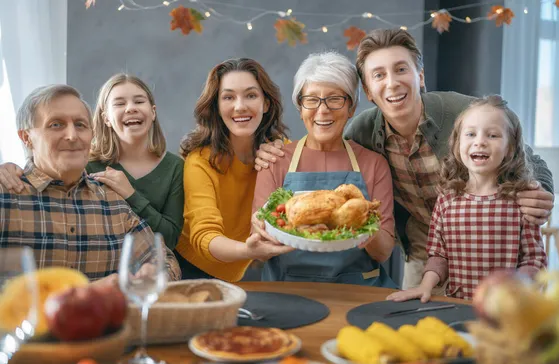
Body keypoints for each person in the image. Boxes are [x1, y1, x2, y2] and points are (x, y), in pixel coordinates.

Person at [254, 28, 554, 290]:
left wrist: (540, 191)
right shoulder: (361, 131)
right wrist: (268, 150)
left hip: (493, 243)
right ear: (369, 92)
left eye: (401, 69)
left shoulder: (464, 114)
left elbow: (529, 157)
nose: (392, 83)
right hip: (428, 251)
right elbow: (324, 148)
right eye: (379, 75)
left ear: (419, 76)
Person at [0, 84, 181, 281]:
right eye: (56, 124)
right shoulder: (6, 197)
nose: (72, 136)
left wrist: (154, 276)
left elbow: (165, 259)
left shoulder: (114, 202)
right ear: (26, 137)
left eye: (80, 125)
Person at [251, 51, 396, 287]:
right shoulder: (275, 161)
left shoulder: (373, 164)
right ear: (300, 108)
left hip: (358, 289)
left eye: (335, 98)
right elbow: (259, 251)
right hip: (288, 288)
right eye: (311, 99)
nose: (323, 109)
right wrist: (262, 230)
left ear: (351, 107)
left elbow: (383, 252)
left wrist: (364, 225)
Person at [386, 95, 547, 301]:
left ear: (510, 148)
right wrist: (425, 286)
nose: (479, 142)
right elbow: (438, 256)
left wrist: (516, 289)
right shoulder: (446, 200)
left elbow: (534, 260)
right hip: (458, 306)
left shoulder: (521, 202)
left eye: (493, 135)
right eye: (470, 134)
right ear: (456, 144)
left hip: (508, 309)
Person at [174, 58, 293, 281]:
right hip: (191, 270)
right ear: (217, 107)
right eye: (228, 97)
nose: (240, 106)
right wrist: (249, 251)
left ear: (266, 104)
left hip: (242, 272)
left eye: (251, 95)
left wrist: (286, 159)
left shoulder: (280, 152)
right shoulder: (200, 161)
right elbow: (204, 235)